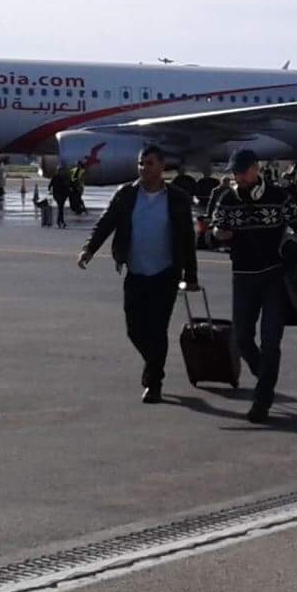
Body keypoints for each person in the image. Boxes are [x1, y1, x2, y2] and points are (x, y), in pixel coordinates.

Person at [78, 145, 200, 403]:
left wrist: (191, 276)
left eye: (149, 164)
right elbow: (106, 222)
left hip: (165, 273)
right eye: (141, 164)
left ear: (162, 166)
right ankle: (154, 363)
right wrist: (89, 249)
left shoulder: (176, 198)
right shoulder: (126, 194)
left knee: (157, 329)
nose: (144, 168)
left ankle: (153, 383)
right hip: (135, 271)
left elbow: (187, 239)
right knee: (134, 330)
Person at [211, 148, 297, 424]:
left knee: (271, 340)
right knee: (242, 337)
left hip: (274, 277)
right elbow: (215, 229)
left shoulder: (279, 197)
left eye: (243, 172)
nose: (239, 178)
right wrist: (219, 234)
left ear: (256, 169)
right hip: (243, 276)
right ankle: (264, 375)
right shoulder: (227, 199)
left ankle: (263, 399)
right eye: (235, 173)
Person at [46, 162, 70, 228]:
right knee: (60, 208)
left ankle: (60, 221)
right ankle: (60, 221)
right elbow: (50, 185)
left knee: (61, 208)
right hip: (58, 194)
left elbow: (50, 185)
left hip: (62, 194)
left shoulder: (64, 177)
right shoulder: (57, 177)